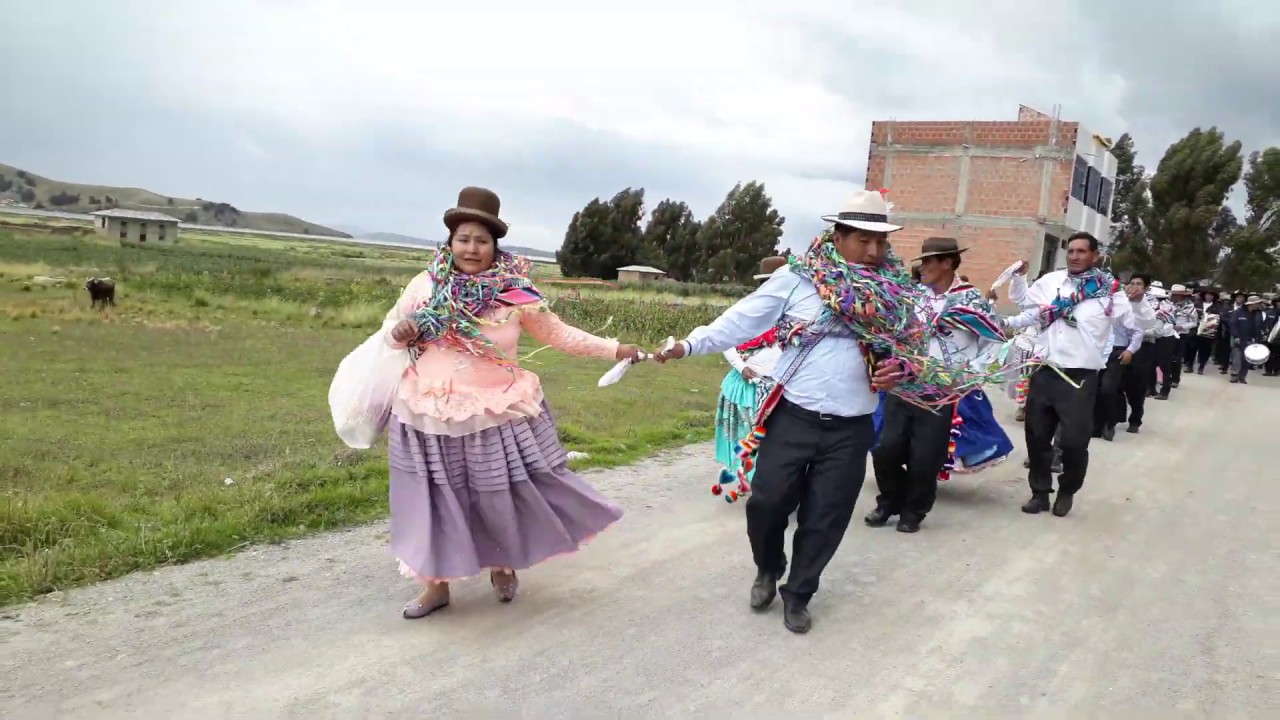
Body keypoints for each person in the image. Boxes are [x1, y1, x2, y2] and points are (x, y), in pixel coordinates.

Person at [380, 187, 642, 619]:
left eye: (481, 240)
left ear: (495, 245)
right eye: (463, 238)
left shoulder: (516, 295)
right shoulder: (425, 286)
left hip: (492, 413)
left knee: (494, 496)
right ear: (450, 241)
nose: (471, 248)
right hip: (428, 411)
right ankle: (435, 585)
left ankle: (503, 564)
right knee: (430, 500)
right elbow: (391, 331)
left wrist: (615, 348)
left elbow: (559, 334)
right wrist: (402, 332)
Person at [652, 189, 905, 635]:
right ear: (839, 236)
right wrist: (689, 345)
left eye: (880, 242)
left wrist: (899, 369)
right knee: (766, 503)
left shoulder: (895, 293)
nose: (873, 251)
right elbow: (741, 321)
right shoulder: (798, 280)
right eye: (864, 239)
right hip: (794, 416)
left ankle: (799, 593)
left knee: (826, 515)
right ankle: (768, 567)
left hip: (852, 427)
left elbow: (911, 350)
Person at [1002, 233, 1155, 517]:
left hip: (1080, 377)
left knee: (1074, 442)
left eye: (1082, 251)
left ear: (1095, 256)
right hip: (1045, 370)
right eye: (1071, 251)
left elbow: (1144, 323)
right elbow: (1026, 303)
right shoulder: (1051, 282)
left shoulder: (1111, 292)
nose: (1074, 256)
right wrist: (1020, 277)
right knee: (1036, 437)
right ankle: (1039, 493)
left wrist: (1140, 301)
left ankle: (1067, 490)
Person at [868, 237, 1005, 533]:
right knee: (884, 449)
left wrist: (970, 373)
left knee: (925, 457)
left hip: (940, 392)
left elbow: (994, 341)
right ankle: (890, 500)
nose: (923, 267)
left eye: (929, 261)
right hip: (903, 384)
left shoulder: (972, 302)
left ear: (947, 262)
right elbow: (894, 332)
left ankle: (914, 511)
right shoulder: (913, 297)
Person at [712, 256, 788, 500]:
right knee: (748, 437)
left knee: (780, 440)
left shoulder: (796, 313)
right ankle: (753, 482)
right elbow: (725, 339)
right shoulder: (748, 310)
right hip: (746, 387)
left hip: (781, 389)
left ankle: (775, 487)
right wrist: (740, 365)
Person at [1093, 282, 1146, 442]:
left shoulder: (1125, 308)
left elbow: (1137, 331)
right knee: (1094, 389)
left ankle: (1110, 422)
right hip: (1096, 351)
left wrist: (1130, 350)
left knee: (1108, 389)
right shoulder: (1095, 307)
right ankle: (1095, 425)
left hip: (1117, 352)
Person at [1121, 273, 1158, 434]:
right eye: (1132, 283)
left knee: (1136, 386)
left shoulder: (1152, 303)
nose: (1134, 286)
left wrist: (1137, 303)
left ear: (1146, 288)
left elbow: (1151, 324)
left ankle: (1135, 419)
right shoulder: (1121, 299)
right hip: (1121, 345)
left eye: (1139, 284)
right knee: (1114, 383)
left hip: (1142, 347)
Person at [1145, 282, 1177, 401]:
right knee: (1151, 364)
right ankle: (1151, 388)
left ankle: (1165, 391)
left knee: (1164, 366)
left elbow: (1163, 326)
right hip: (1154, 338)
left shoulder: (1166, 307)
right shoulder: (1150, 305)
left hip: (1166, 338)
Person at [1226, 294, 1264, 384]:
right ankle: (1234, 375)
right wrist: (1236, 336)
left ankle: (1242, 377)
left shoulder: (1258, 314)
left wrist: (1260, 337)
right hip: (1239, 339)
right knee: (1237, 358)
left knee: (1247, 360)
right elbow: (1232, 325)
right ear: (1251, 304)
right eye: (1257, 303)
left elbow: (1260, 326)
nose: (1258, 305)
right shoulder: (1238, 312)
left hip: (1251, 340)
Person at [1169, 284, 1198, 389]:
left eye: (1178, 295)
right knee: (1166, 357)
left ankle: (1175, 379)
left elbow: (1194, 322)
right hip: (1167, 333)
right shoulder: (1167, 305)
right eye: (1174, 294)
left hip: (1181, 335)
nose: (1176, 297)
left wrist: (1182, 326)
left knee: (1177, 358)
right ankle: (1165, 378)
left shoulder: (1190, 307)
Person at [1193, 289, 1222, 375]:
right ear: (1204, 295)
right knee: (1192, 347)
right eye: (1207, 295)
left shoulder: (1217, 306)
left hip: (1208, 331)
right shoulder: (1197, 304)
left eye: (1211, 295)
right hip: (1195, 329)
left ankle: (1201, 366)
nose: (1209, 296)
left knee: (1205, 350)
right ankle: (1189, 365)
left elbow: (1218, 319)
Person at [1265, 297, 1280, 377]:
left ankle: (1276, 370)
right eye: (1278, 302)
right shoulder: (1269, 312)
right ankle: (1268, 370)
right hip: (1269, 336)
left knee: (1277, 355)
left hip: (1279, 338)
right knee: (1268, 353)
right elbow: (1265, 323)